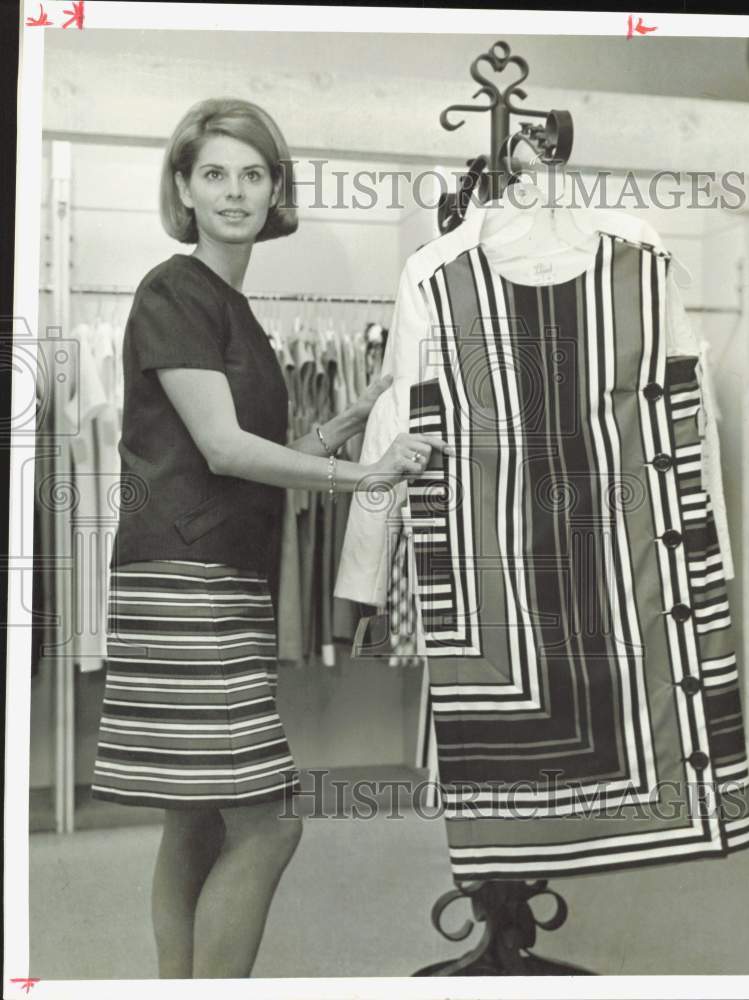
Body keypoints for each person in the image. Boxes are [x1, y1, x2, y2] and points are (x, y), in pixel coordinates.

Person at [89, 97, 447, 979]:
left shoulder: (235, 311)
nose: (236, 191)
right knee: (271, 819)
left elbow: (252, 454)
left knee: (196, 813)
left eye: (254, 174)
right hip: (186, 581)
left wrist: (352, 420)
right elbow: (220, 448)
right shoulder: (174, 290)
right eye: (214, 173)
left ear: (276, 188)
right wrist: (364, 472)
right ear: (183, 186)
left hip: (222, 576)